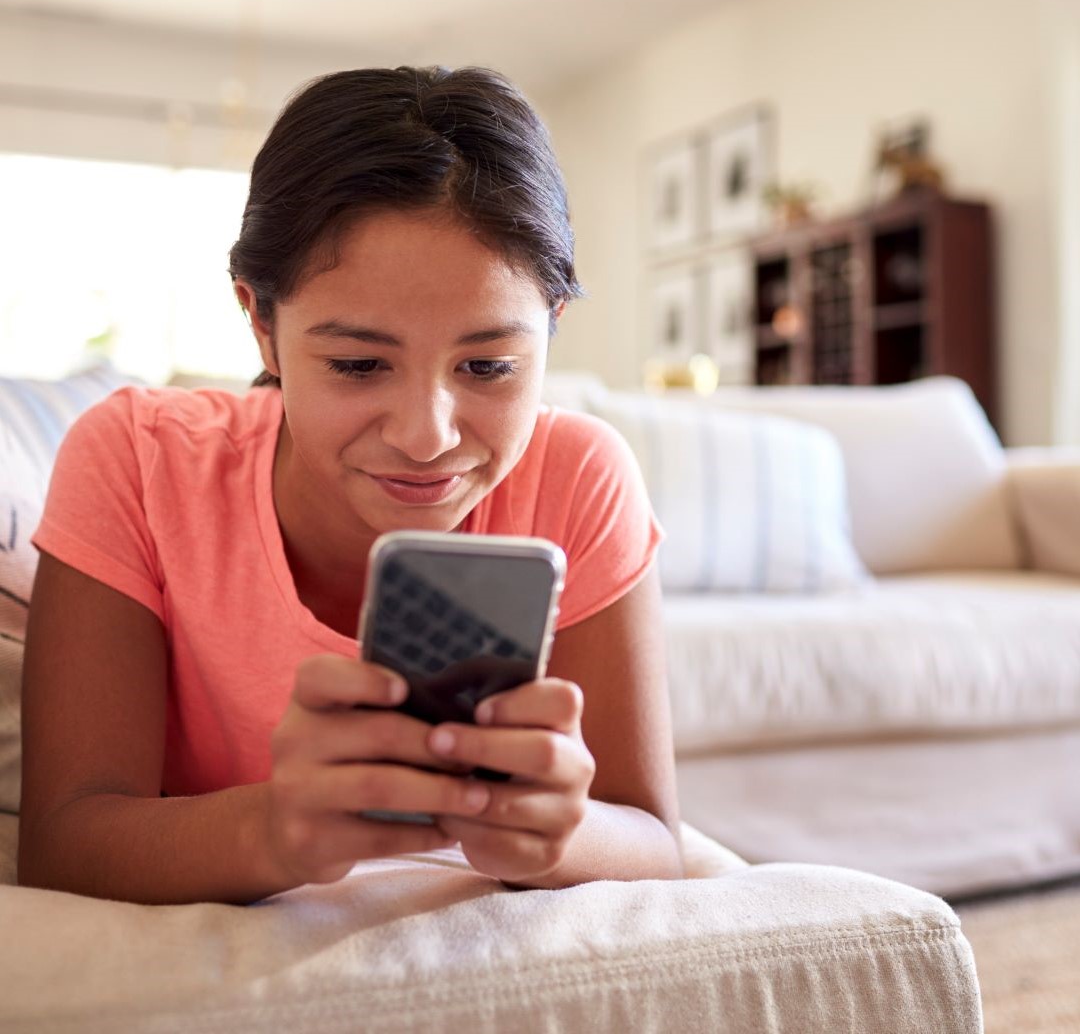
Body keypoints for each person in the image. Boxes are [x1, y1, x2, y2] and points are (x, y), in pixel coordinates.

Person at [17, 66, 682, 905]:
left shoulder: (582, 474)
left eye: (488, 366)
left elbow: (655, 839)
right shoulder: (137, 462)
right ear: (261, 321)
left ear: (551, 327)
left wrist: (559, 833)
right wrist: (276, 829)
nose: (427, 436)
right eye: (359, 364)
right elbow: (64, 844)